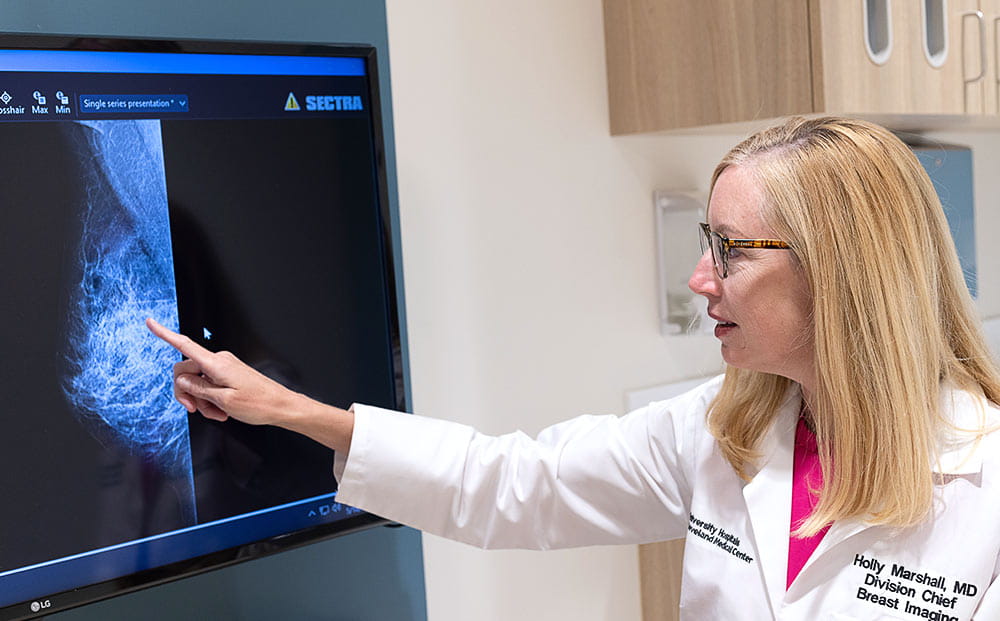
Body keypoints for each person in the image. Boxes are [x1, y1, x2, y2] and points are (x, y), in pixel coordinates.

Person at [147, 116, 1000, 620]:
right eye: (705, 243)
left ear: (840, 269)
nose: (699, 277)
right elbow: (516, 483)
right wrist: (296, 411)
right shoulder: (722, 427)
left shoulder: (983, 481)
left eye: (731, 251)